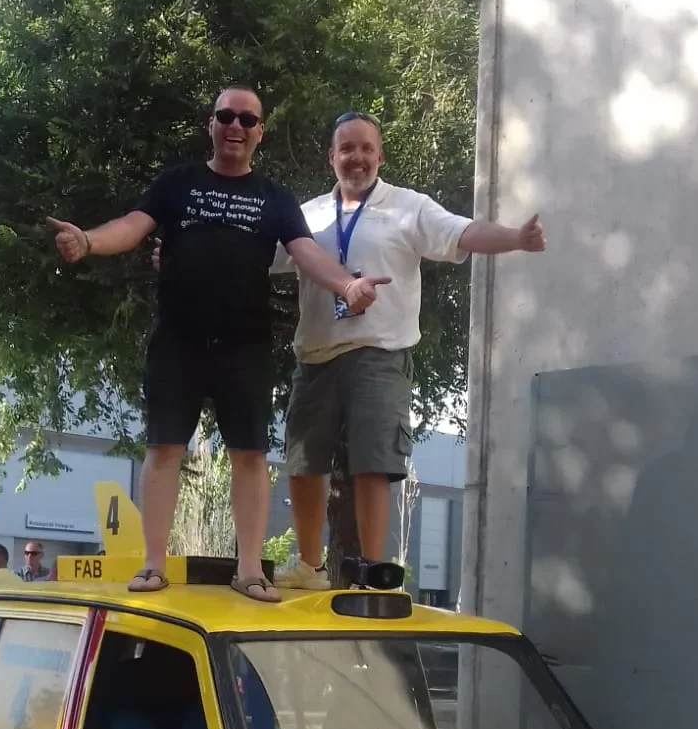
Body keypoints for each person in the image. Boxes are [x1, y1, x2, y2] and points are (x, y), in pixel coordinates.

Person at [48, 85, 390, 604]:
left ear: (259, 132)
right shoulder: (176, 184)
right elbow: (132, 228)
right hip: (177, 342)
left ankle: (250, 570)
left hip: (244, 345)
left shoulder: (274, 198)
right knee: (164, 450)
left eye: (247, 120)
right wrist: (89, 240)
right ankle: (153, 565)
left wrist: (346, 286)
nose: (236, 126)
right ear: (211, 124)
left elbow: (305, 254)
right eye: (226, 116)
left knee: (249, 456)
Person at [272, 111, 546, 587]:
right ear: (331, 157)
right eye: (347, 149)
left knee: (374, 461)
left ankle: (370, 570)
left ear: (379, 155)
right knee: (302, 461)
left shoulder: (409, 207)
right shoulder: (308, 213)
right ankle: (309, 568)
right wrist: (178, 253)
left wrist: (516, 239)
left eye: (366, 148)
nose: (356, 158)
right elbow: (257, 255)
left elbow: (462, 232)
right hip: (315, 353)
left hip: (380, 352)